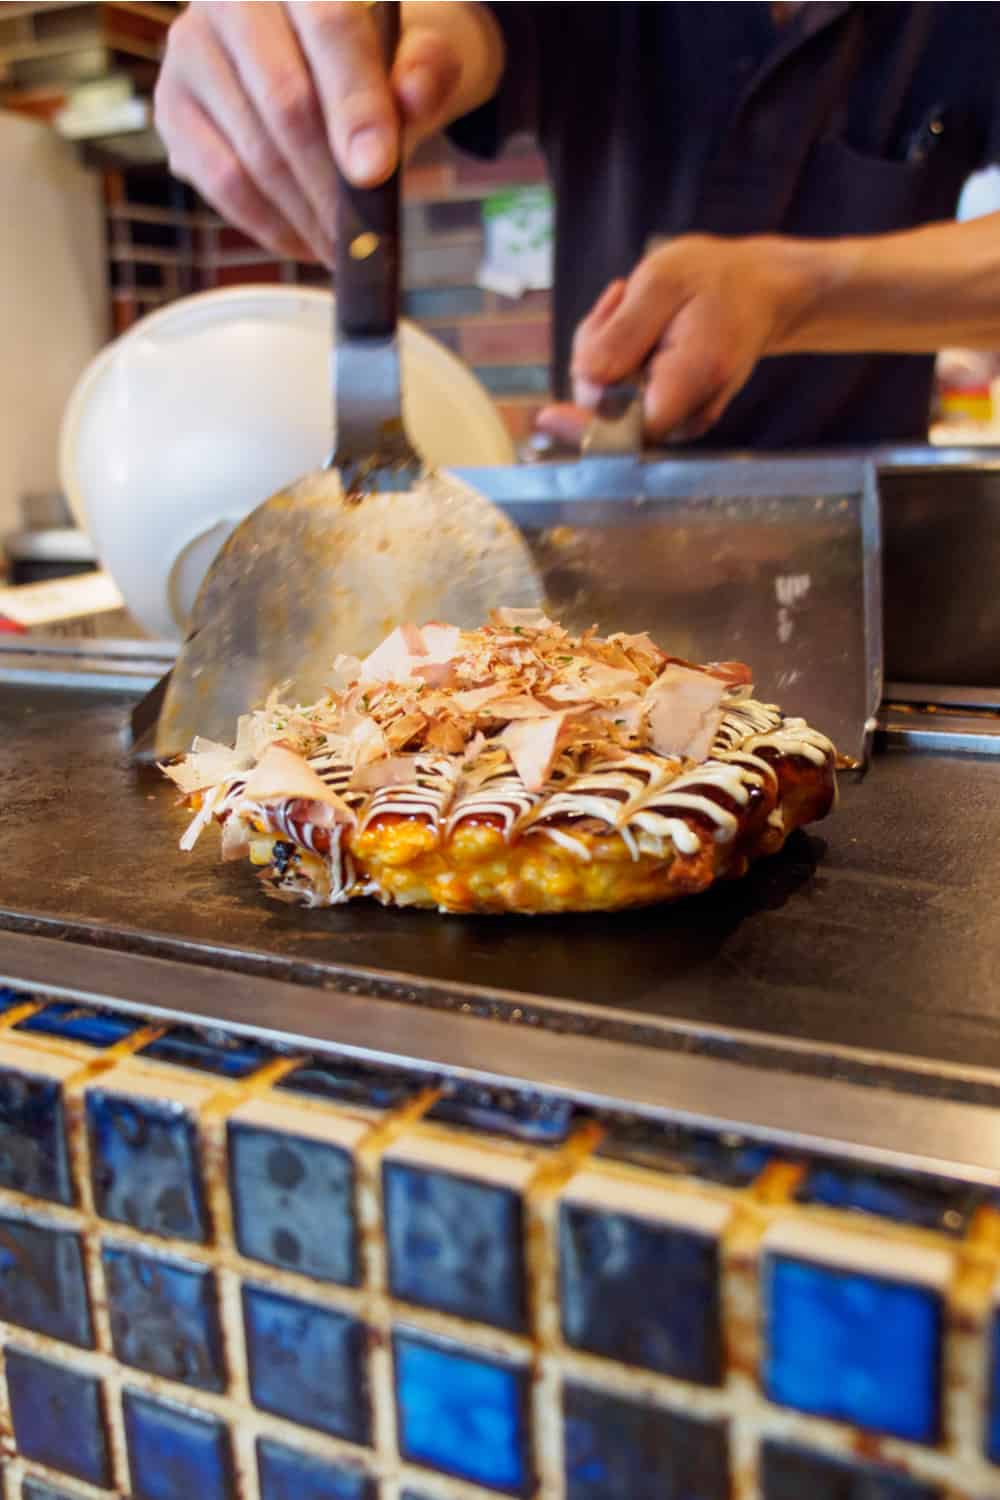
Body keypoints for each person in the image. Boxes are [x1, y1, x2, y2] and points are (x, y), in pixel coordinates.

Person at [155, 2, 1000, 448]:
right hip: (608, 487)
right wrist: (362, 49)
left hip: (881, 543)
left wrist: (791, 293)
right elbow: (458, 27)